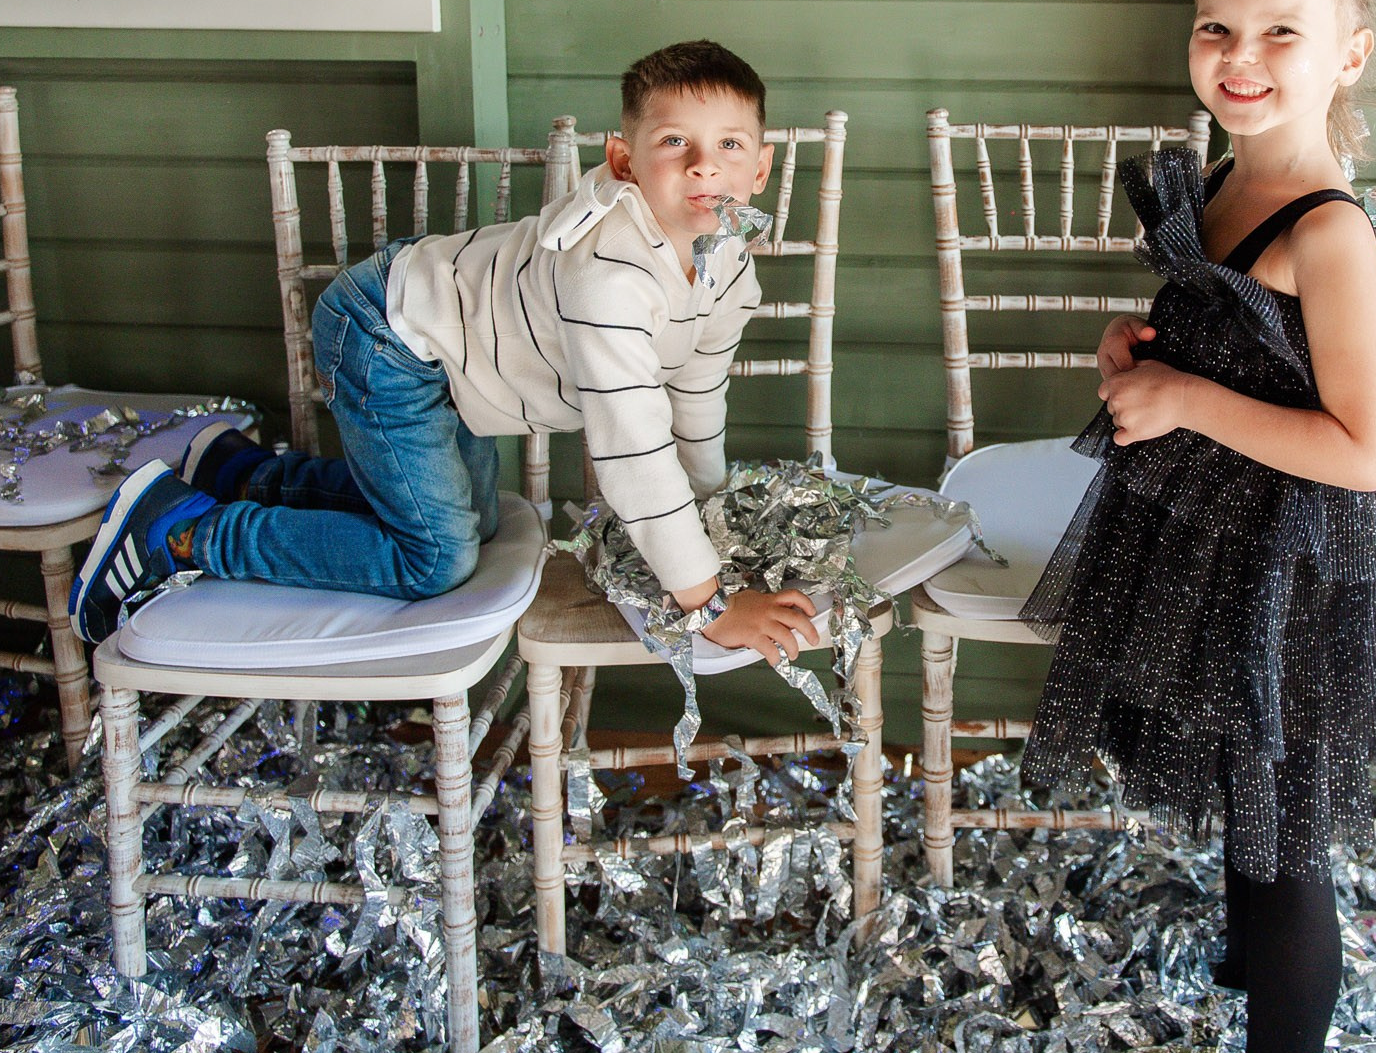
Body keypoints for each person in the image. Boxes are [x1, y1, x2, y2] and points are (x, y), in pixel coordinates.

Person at [1019, 0, 1376, 1053]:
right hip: (1203, 544)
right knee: (1238, 781)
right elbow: (1232, 341)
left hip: (1287, 564)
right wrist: (1144, 346)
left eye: (1283, 31)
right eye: (1215, 26)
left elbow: (1363, 449)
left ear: (1347, 55)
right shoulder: (1227, 179)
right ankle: (1246, 956)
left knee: (1282, 842)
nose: (1240, 56)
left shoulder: (1324, 229)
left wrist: (1183, 395)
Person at [70, 40, 816, 665]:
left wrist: (715, 514)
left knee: (478, 522)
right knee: (435, 560)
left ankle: (242, 472)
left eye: (728, 145)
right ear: (623, 161)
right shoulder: (609, 277)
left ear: (760, 167)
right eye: (673, 142)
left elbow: (695, 394)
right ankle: (176, 528)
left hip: (451, 346)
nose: (702, 166)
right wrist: (707, 602)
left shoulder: (727, 262)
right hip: (388, 335)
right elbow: (632, 449)